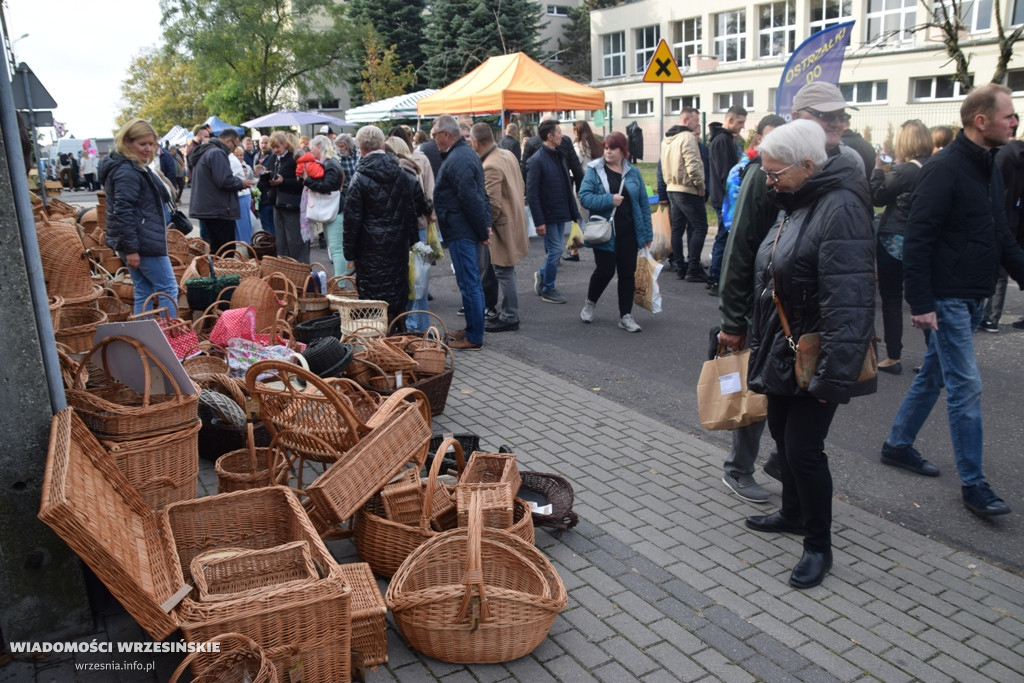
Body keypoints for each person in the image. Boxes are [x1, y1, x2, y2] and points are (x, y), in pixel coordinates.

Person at [880, 84, 1024, 517]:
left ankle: (897, 443)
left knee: (932, 376)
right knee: (966, 385)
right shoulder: (943, 168)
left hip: (973, 293)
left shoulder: (991, 166)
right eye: (1009, 116)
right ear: (982, 121)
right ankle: (974, 484)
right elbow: (918, 238)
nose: (1015, 122)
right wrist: (920, 301)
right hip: (946, 297)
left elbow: (1000, 234)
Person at [744, 120, 875, 589]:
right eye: (766, 173)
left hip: (817, 353)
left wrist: (832, 379)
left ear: (807, 165)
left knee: (804, 449)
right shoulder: (795, 200)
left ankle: (819, 545)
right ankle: (793, 514)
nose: (769, 182)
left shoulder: (840, 207)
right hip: (786, 345)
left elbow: (851, 299)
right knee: (781, 433)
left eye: (775, 174)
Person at [717, 114, 786, 504]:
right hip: (760, 308)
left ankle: (781, 459)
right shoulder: (760, 177)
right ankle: (738, 468)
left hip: (793, 312)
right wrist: (733, 318)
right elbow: (739, 248)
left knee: (787, 392)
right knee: (753, 389)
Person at [869, 119, 933, 374]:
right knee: (924, 299)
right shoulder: (935, 167)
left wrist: (878, 169)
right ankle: (932, 356)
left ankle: (893, 356)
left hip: (894, 238)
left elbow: (878, 196)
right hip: (922, 240)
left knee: (892, 300)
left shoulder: (904, 171)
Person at [99, 118, 178, 316]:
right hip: (143, 243)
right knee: (168, 289)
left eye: (151, 144)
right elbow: (123, 211)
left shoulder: (129, 167)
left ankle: (146, 340)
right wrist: (132, 249)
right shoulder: (127, 171)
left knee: (144, 291)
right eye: (143, 144)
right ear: (127, 141)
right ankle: (170, 337)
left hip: (139, 242)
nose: (148, 149)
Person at [343, 125, 420, 323]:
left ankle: (378, 343)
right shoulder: (402, 173)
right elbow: (410, 210)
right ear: (383, 145)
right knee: (397, 291)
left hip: (370, 250)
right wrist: (413, 240)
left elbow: (351, 220)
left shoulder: (359, 179)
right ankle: (398, 336)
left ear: (360, 148)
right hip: (397, 245)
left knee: (373, 298)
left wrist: (349, 254)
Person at [578, 131, 653, 333]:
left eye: (613, 148)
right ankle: (590, 303)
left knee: (627, 274)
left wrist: (647, 235)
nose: (608, 151)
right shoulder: (595, 170)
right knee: (605, 271)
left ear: (623, 150)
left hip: (629, 231)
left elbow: (643, 204)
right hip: (604, 230)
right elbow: (584, 197)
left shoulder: (633, 172)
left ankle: (625, 316)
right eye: (606, 147)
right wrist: (609, 200)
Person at [431, 114, 491, 350]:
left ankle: (474, 336)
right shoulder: (463, 154)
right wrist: (483, 225)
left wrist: (482, 229)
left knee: (470, 283)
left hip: (462, 229)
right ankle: (471, 329)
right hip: (462, 227)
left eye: (436, 134)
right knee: (469, 282)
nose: (434, 139)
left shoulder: (459, 157)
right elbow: (478, 195)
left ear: (447, 134)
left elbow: (471, 198)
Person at [471, 122, 529, 333]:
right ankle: (507, 313)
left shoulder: (490, 165)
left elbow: (491, 204)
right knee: (506, 271)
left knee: (503, 271)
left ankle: (509, 315)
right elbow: (520, 184)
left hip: (502, 226)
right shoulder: (507, 154)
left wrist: (485, 227)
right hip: (513, 219)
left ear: (476, 142)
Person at [527, 119, 581, 304]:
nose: (562, 135)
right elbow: (532, 194)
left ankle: (542, 276)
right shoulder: (536, 161)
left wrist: (573, 212)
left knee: (555, 251)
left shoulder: (559, 156)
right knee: (556, 250)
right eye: (559, 132)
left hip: (560, 211)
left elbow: (566, 186)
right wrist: (539, 221)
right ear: (549, 137)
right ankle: (548, 288)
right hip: (548, 214)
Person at [980, 127, 1024, 332]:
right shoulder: (1018, 157)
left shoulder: (1000, 155)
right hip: (1014, 218)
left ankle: (986, 316)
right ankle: (992, 317)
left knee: (991, 270)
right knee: (1001, 273)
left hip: (996, 218)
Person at [659, 107, 708, 281]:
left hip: (672, 187)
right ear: (686, 121)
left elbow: (663, 164)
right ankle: (694, 267)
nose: (698, 124)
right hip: (687, 189)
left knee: (677, 229)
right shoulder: (687, 137)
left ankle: (680, 266)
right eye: (696, 121)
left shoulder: (667, 139)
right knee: (700, 227)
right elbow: (693, 164)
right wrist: (700, 184)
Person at [188, 128, 253, 254]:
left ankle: (217, 271)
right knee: (226, 249)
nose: (234, 150)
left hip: (209, 207)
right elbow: (224, 181)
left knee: (216, 248)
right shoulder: (217, 153)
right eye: (235, 146)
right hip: (219, 208)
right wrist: (241, 183)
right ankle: (224, 272)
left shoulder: (206, 151)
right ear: (229, 141)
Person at [707, 105, 747, 289]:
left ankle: (715, 276)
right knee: (724, 237)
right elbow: (726, 172)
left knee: (723, 236)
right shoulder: (723, 140)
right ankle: (716, 278)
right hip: (725, 196)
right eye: (740, 122)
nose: (742, 126)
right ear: (730, 120)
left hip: (721, 194)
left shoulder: (723, 139)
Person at [258, 131, 306, 262]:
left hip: (291, 204)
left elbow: (301, 182)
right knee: (281, 239)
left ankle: (299, 268)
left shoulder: (293, 158)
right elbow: (269, 178)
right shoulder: (273, 158)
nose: (275, 150)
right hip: (276, 203)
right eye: (273, 147)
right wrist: (265, 180)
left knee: (294, 239)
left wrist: (283, 181)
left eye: (277, 147)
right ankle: (284, 267)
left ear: (285, 144)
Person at [303, 135, 344, 270]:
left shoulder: (330, 163)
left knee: (336, 248)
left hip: (335, 209)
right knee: (334, 247)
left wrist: (307, 180)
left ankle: (340, 283)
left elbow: (327, 186)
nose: (311, 152)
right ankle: (340, 282)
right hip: (333, 209)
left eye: (312, 148)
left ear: (319, 147)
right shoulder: (329, 163)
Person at [230, 144, 256, 244]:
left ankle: (247, 248)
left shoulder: (246, 166)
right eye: (238, 155)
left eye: (241, 155)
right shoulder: (232, 161)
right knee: (236, 228)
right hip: (236, 196)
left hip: (242, 195)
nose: (240, 157)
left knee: (244, 226)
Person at [252, 135, 275, 235]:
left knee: (270, 224)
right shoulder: (256, 157)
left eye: (266, 143)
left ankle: (272, 244)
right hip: (259, 197)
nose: (264, 145)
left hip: (268, 195)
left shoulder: (272, 157)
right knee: (266, 224)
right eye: (262, 143)